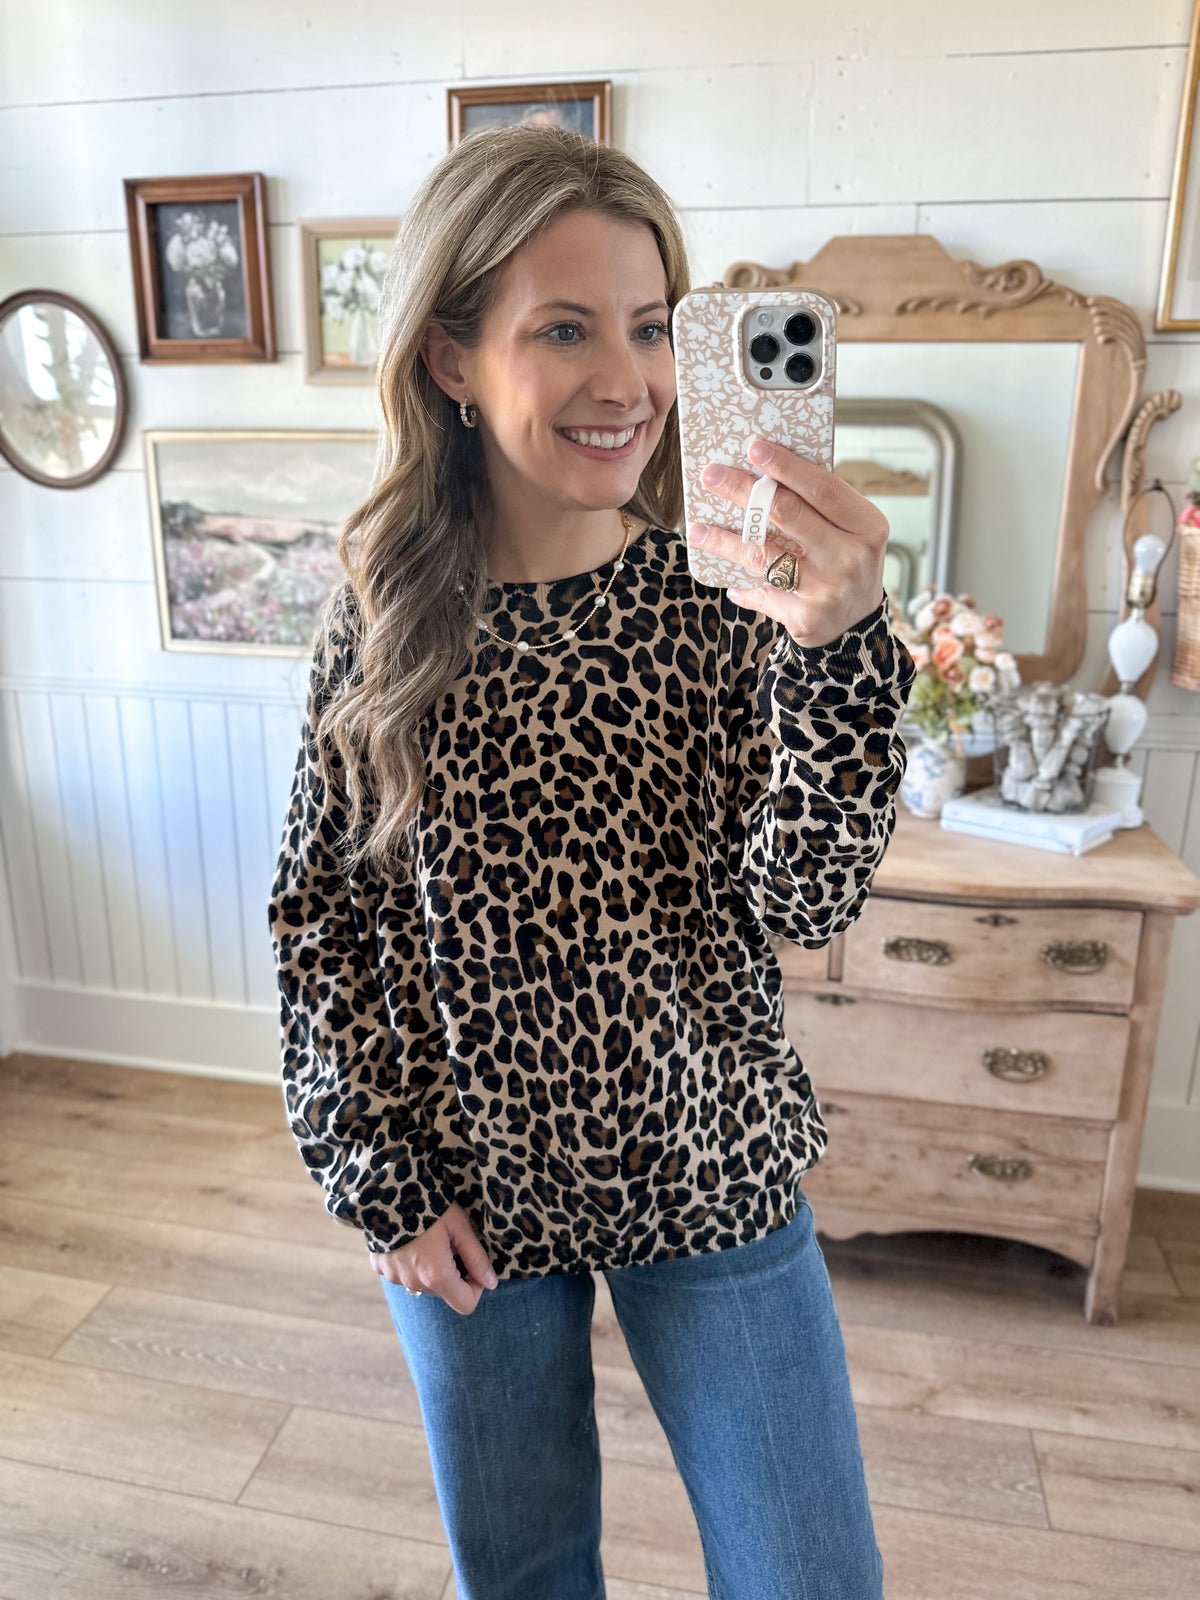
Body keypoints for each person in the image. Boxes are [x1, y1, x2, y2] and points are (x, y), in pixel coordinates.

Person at [268, 123, 915, 1600]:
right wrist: (380, 1177)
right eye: (562, 329)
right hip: (466, 1188)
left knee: (811, 1577)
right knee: (525, 1579)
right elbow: (325, 917)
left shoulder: (733, 597)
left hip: (710, 1156)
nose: (622, 382)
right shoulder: (380, 619)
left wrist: (837, 651)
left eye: (647, 328)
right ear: (449, 355)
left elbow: (805, 901)